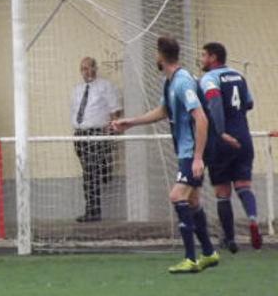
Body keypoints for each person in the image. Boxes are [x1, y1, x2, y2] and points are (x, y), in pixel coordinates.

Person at [111, 37, 218, 274]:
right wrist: (130, 122)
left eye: (156, 54)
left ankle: (190, 258)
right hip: (186, 151)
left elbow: (201, 119)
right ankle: (209, 253)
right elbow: (162, 111)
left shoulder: (182, 82)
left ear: (161, 55)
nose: (155, 58)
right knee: (192, 201)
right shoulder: (169, 82)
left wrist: (198, 157)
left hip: (193, 152)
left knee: (176, 195)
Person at [198, 42, 260, 252]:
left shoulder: (209, 78)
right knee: (243, 186)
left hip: (222, 140)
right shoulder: (238, 75)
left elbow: (214, 102)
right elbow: (249, 103)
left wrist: (221, 130)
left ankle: (230, 239)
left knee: (222, 192)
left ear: (213, 57)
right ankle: (252, 219)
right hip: (243, 136)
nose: (202, 59)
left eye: (204, 55)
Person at [70, 57, 122, 222]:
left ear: (95, 68)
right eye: (83, 69)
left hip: (97, 134)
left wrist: (111, 134)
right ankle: (92, 208)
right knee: (88, 172)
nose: (87, 71)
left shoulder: (105, 86)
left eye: (89, 67)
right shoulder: (77, 89)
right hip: (80, 135)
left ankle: (93, 212)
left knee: (90, 173)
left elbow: (116, 110)